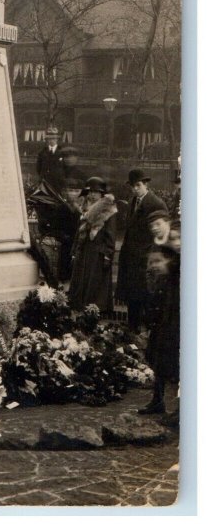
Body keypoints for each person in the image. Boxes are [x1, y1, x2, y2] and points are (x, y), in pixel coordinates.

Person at [138, 209, 180, 420]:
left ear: (167, 223)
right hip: (160, 306)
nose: (155, 227)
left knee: (177, 356)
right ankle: (158, 400)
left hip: (176, 306)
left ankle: (183, 409)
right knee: (157, 352)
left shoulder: (176, 244)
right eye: (152, 225)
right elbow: (151, 273)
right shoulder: (156, 245)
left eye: (158, 223)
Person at [115, 169, 168, 333]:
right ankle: (132, 329)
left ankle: (147, 332)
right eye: (132, 186)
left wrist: (152, 255)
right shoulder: (133, 201)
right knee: (132, 296)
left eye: (138, 185)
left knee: (146, 296)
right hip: (131, 256)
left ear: (146, 184)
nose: (135, 189)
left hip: (146, 257)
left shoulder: (156, 203)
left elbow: (162, 234)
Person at [68, 177, 117, 314]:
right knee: (80, 286)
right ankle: (80, 313)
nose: (92, 195)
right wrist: (74, 251)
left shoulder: (108, 210)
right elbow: (79, 233)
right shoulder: (85, 208)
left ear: (102, 194)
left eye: (96, 192)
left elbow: (111, 235)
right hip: (84, 251)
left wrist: (108, 254)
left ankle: (93, 315)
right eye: (90, 192)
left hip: (98, 252)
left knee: (95, 289)